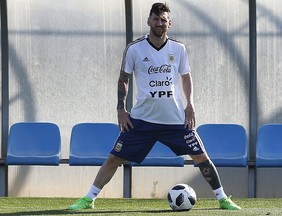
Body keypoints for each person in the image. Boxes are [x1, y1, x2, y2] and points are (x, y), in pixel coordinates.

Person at [67, 2, 241, 211]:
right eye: (156, 19)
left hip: (175, 119)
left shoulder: (178, 49)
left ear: (170, 23)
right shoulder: (134, 48)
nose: (160, 23)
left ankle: (222, 199)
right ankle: (89, 199)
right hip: (142, 120)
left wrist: (190, 105)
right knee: (114, 157)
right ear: (148, 21)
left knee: (201, 157)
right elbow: (123, 78)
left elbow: (186, 78)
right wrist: (121, 110)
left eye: (164, 20)